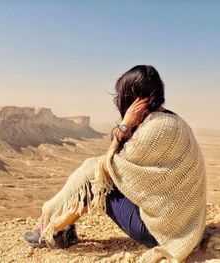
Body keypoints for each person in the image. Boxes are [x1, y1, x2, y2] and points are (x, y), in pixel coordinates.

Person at [24, 65, 206, 262]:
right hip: (184, 226)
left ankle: (54, 232)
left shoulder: (156, 130)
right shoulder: (172, 120)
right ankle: (62, 227)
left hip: (165, 233)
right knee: (97, 171)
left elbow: (109, 166)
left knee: (98, 178)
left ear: (135, 99)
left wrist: (125, 125)